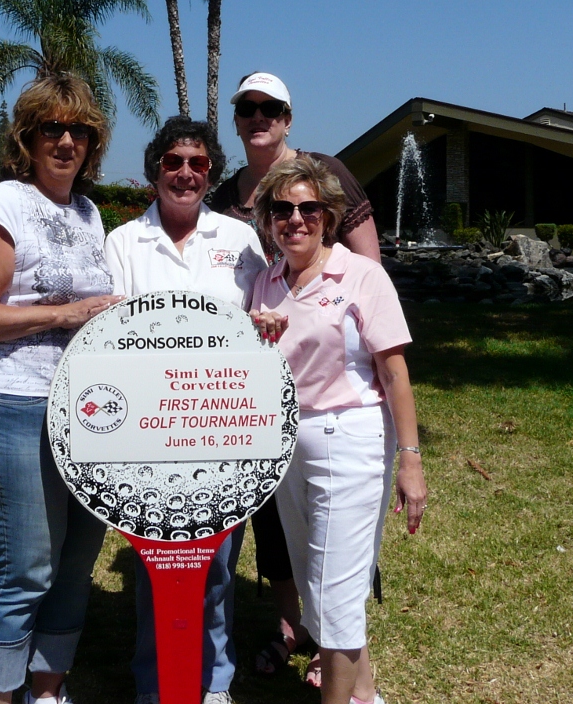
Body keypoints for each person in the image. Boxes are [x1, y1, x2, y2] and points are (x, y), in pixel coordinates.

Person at [0, 73, 123, 704]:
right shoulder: (2, 204)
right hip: (15, 403)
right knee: (24, 568)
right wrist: (63, 314)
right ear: (27, 136)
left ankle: (46, 689)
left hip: (85, 408)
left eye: (80, 130)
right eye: (53, 127)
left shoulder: (88, 213)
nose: (67, 141)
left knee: (74, 565)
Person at [206, 71, 381, 680]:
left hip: (338, 384)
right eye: (247, 108)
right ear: (237, 120)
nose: (259, 117)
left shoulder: (324, 170)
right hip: (268, 386)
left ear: (287, 117)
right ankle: (292, 624)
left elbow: (367, 263)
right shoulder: (226, 195)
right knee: (276, 520)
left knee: (338, 525)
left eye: (270, 107)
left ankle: (340, 649)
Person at [248, 155, 426, 704]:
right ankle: (364, 694)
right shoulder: (264, 284)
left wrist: (411, 459)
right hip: (286, 446)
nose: (295, 219)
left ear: (327, 216)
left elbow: (393, 371)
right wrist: (257, 337)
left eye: (308, 209)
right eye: (282, 209)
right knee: (315, 581)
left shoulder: (361, 275)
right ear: (269, 219)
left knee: (337, 592)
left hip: (350, 439)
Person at [104, 116, 267, 704]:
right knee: (156, 565)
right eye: (173, 161)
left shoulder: (239, 239)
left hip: (223, 426)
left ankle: (214, 679)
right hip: (148, 432)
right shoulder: (123, 243)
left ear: (210, 173)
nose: (185, 173)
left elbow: (261, 320)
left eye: (198, 163)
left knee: (218, 563)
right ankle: (155, 682)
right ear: (155, 170)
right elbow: (108, 338)